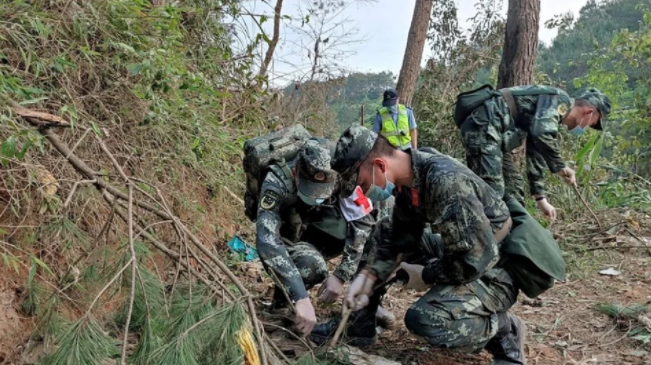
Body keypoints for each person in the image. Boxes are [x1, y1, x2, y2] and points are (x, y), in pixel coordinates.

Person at [316, 126, 526, 364]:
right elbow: (400, 238)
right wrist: (368, 277)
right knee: (383, 230)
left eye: (360, 182)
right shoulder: (410, 178)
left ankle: (505, 330)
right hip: (462, 248)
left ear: (380, 166)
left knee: (426, 319)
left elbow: (474, 260)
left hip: (498, 264)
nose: (360, 191)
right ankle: (358, 325)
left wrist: (426, 273)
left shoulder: (445, 182)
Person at [256, 138, 388, 337]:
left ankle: (363, 309)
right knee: (311, 265)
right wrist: (300, 296)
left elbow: (363, 223)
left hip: (323, 230)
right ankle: (283, 302)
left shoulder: (344, 175)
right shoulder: (277, 182)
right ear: (295, 173)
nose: (317, 197)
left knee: (381, 227)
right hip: (291, 237)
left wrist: (341, 275)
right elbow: (267, 240)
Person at [457, 86, 611, 220]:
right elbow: (541, 134)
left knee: (514, 187)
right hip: (484, 127)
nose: (589, 126)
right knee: (493, 192)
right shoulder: (560, 100)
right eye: (593, 122)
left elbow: (535, 151)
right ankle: (477, 242)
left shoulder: (549, 115)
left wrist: (541, 199)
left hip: (492, 135)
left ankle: (516, 238)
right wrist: (561, 167)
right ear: (589, 112)